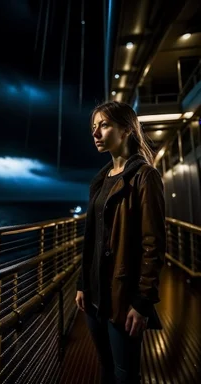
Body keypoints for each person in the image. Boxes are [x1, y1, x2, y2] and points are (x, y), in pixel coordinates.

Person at [75, 101, 166, 384]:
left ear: (126, 129)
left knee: (125, 375)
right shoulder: (100, 180)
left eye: (104, 125)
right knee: (105, 368)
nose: (96, 134)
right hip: (94, 294)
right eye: (94, 128)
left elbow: (154, 243)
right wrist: (82, 283)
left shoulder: (144, 176)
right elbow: (91, 238)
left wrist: (142, 300)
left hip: (122, 296)